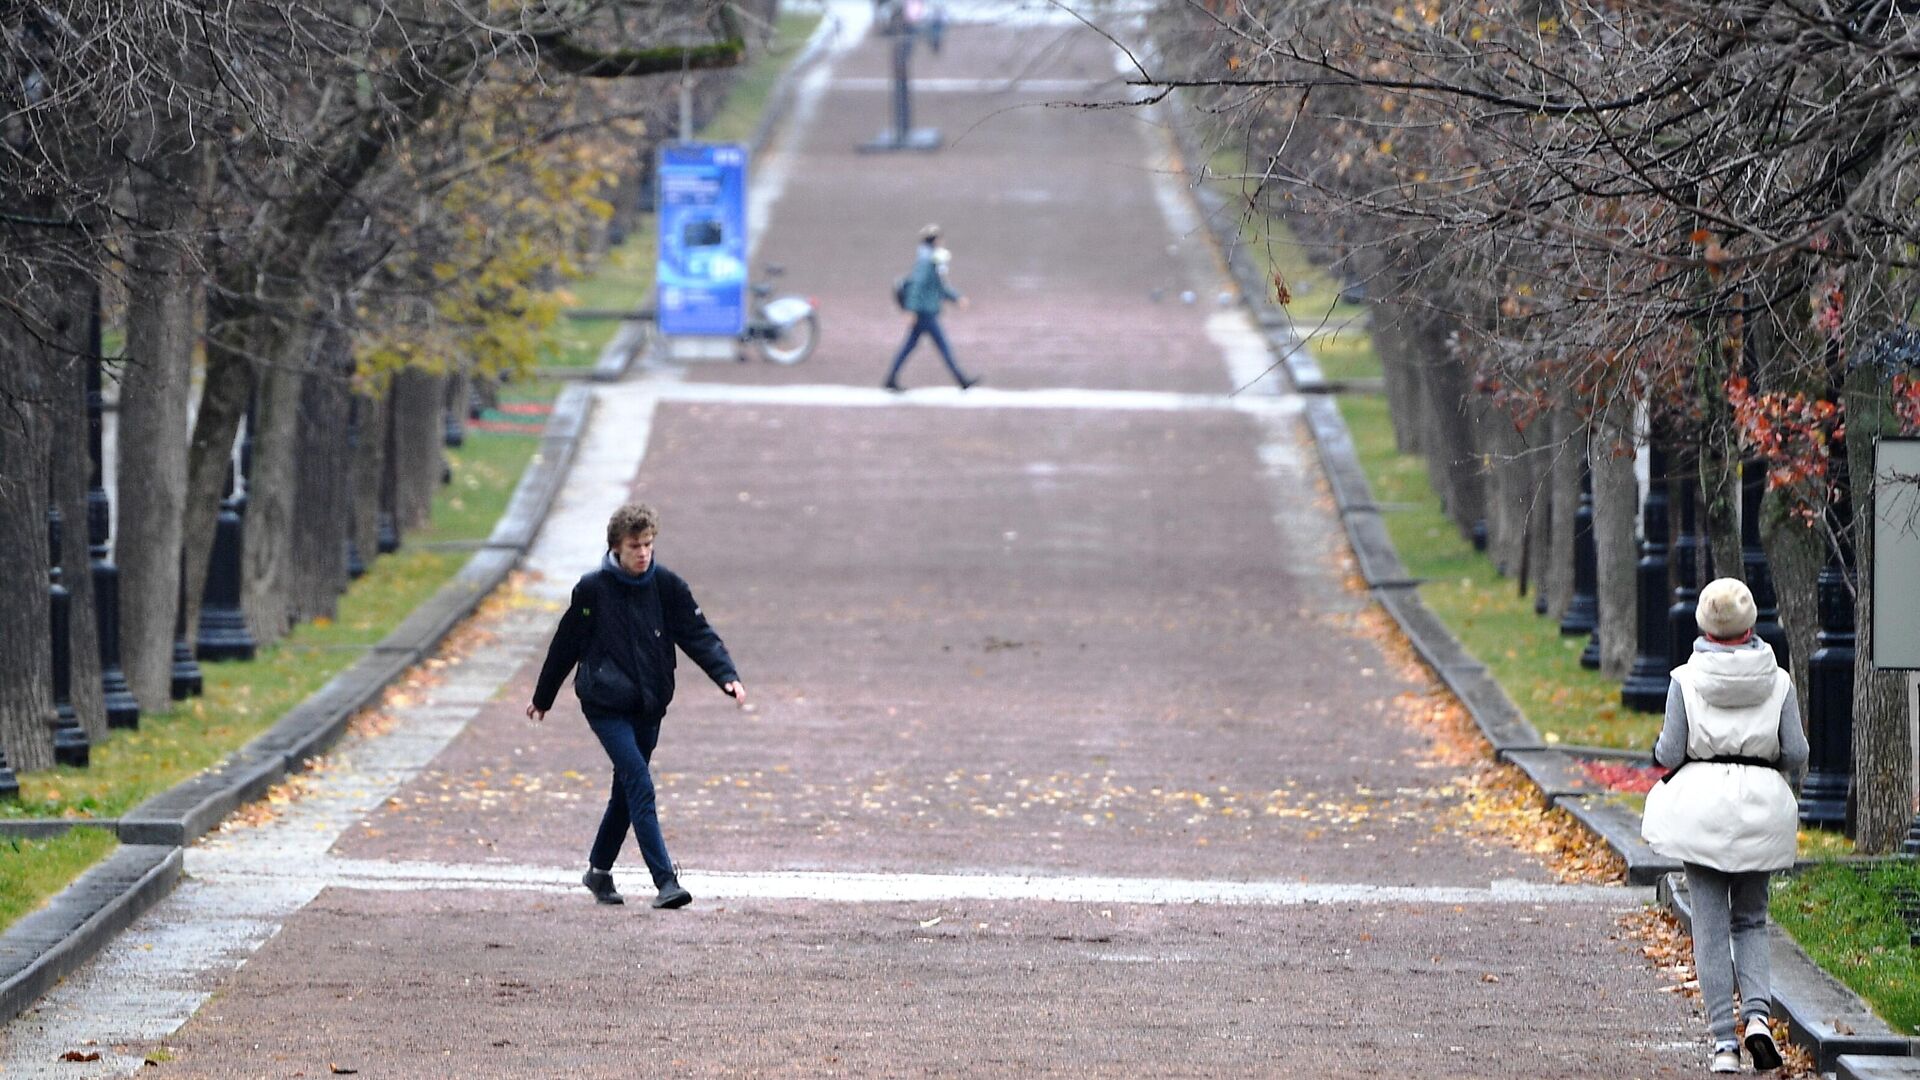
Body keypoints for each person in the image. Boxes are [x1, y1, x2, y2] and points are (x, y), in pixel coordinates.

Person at [526, 502, 745, 910]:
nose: (643, 553)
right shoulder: (592, 589)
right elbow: (566, 644)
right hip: (604, 704)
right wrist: (543, 698)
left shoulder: (666, 586)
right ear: (616, 547)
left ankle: (598, 871)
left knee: (626, 792)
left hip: (649, 704)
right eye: (634, 546)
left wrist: (726, 676)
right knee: (640, 783)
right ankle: (665, 881)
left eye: (647, 544)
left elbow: (697, 634)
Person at [1641, 577, 1807, 1074]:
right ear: (1751, 623)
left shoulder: (1685, 680)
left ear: (1704, 626)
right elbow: (1796, 752)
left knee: (1710, 928)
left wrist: (1661, 753)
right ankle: (1757, 1015)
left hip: (1702, 811)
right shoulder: (1777, 681)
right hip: (1759, 808)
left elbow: (1670, 751)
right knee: (1752, 919)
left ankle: (1723, 1045)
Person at [884, 223, 979, 391]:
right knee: (943, 347)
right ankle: (962, 380)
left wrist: (956, 298)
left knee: (909, 347)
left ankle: (890, 379)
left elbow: (938, 287)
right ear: (935, 240)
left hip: (925, 310)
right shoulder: (926, 261)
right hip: (924, 312)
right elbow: (917, 286)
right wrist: (911, 310)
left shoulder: (930, 259)